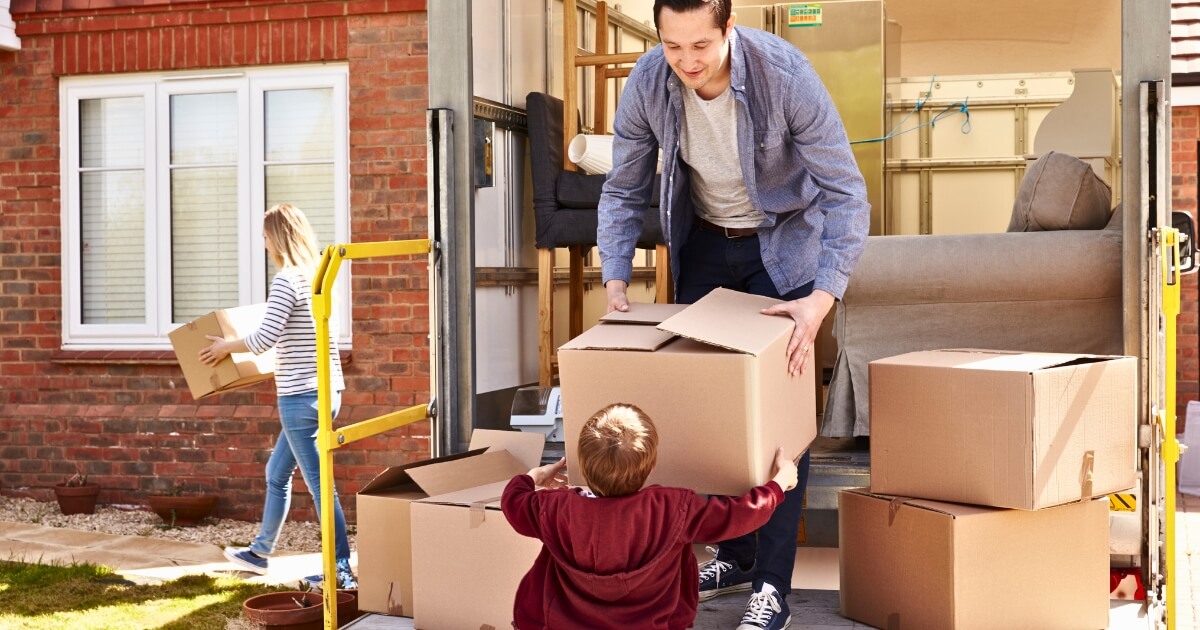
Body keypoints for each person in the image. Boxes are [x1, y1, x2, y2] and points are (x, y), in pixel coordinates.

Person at [596, 1, 871, 628]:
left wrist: (818, 302)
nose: (688, 62)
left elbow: (847, 195)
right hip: (704, 244)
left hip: (783, 252)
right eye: (673, 46)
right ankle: (738, 552)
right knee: (708, 411)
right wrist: (615, 280)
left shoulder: (786, 76)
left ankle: (772, 587)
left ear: (729, 29)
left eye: (701, 45)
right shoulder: (648, 80)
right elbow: (624, 188)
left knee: (779, 426)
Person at [501, 403, 798, 630]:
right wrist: (777, 485)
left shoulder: (553, 508)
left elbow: (512, 502)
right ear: (652, 464)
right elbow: (741, 515)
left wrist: (534, 476)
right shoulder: (672, 508)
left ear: (583, 463)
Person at [199, 203, 355, 590]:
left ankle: (341, 571)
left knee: (320, 485)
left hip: (301, 397)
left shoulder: (287, 280)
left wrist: (226, 347)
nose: (264, 243)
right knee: (277, 473)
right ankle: (259, 552)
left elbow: (265, 338)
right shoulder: (315, 275)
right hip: (323, 391)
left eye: (266, 236)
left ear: (279, 237)